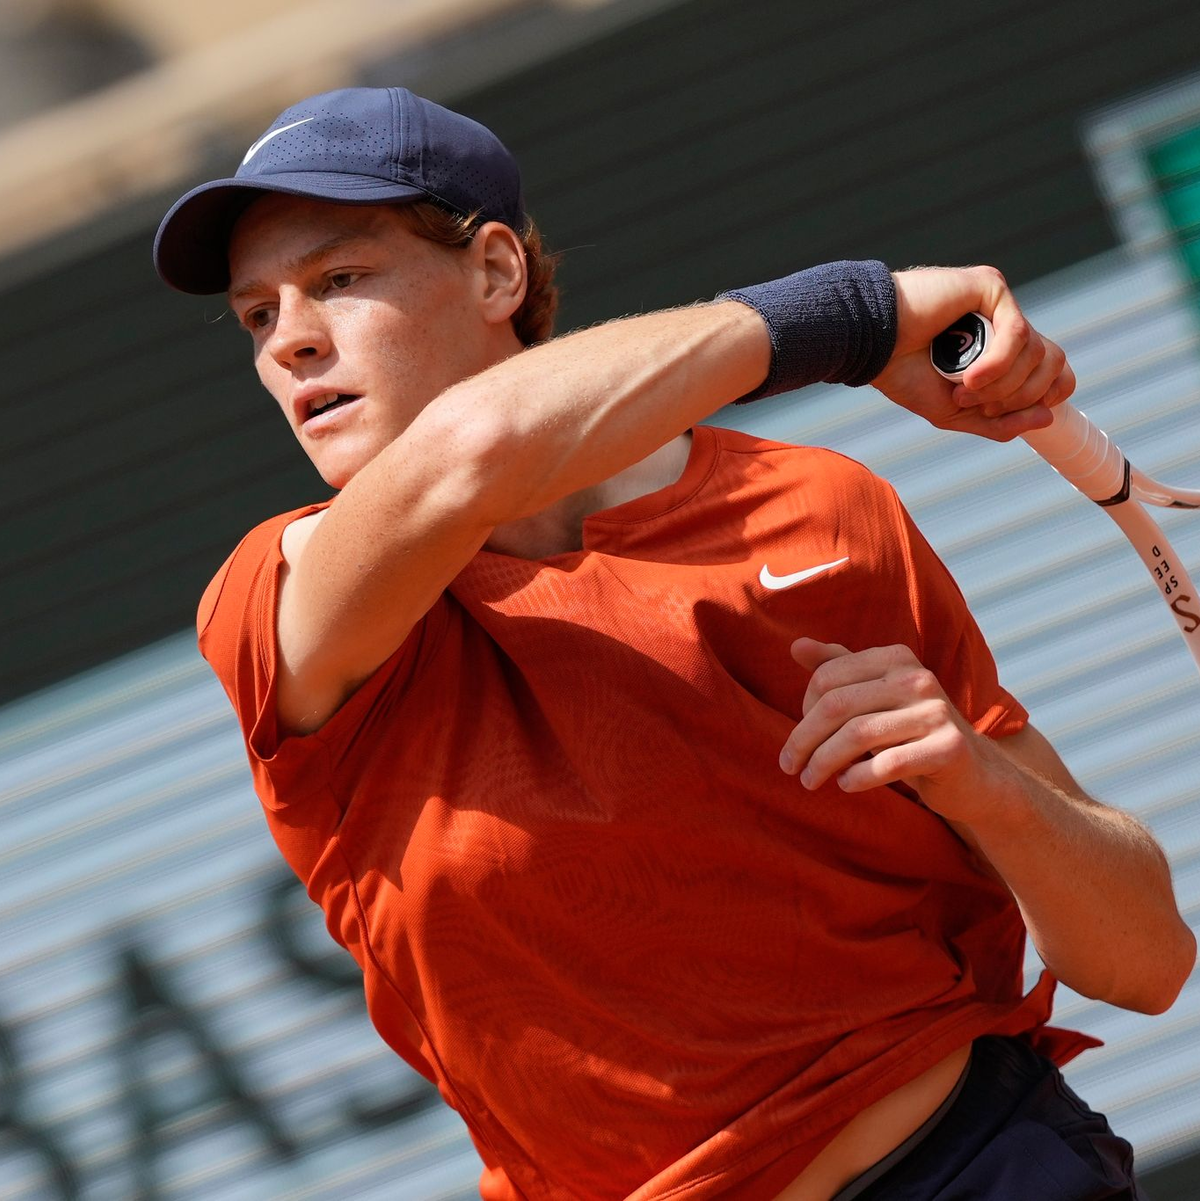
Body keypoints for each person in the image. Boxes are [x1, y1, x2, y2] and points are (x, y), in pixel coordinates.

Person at [153, 87, 1194, 1200]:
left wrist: (981, 781)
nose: (292, 340)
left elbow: (1145, 960)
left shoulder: (821, 505)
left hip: (990, 1163)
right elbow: (478, 447)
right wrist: (858, 314)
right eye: (257, 315)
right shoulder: (282, 599)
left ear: (497, 272)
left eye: (339, 279)